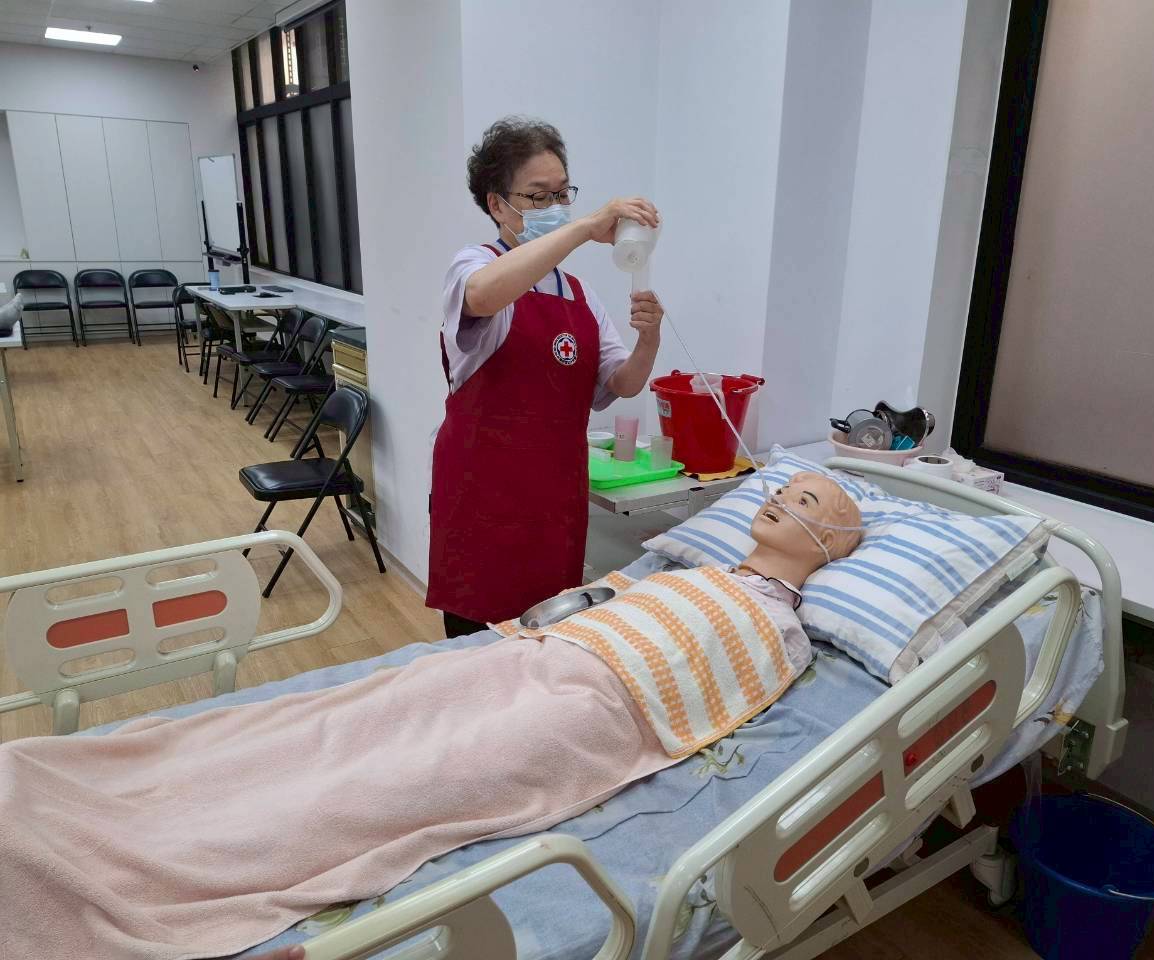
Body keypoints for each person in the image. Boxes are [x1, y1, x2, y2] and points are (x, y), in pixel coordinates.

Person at [2, 475, 860, 960]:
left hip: (596, 711)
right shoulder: (680, 574)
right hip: (513, 662)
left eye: (814, 505)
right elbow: (576, 608)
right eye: (789, 489)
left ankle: (164, 871)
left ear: (839, 546)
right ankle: (106, 810)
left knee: (404, 781)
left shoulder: (785, 632)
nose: (786, 500)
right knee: (331, 724)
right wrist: (523, 637)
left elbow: (716, 702)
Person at [426, 116, 665, 638]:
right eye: (538, 197)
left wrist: (648, 340)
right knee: (478, 644)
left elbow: (622, 383)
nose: (555, 207)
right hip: (483, 499)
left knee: (546, 637)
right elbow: (483, 295)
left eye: (562, 193)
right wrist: (584, 229)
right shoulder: (475, 265)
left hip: (554, 499)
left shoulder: (578, 293)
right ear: (496, 205)